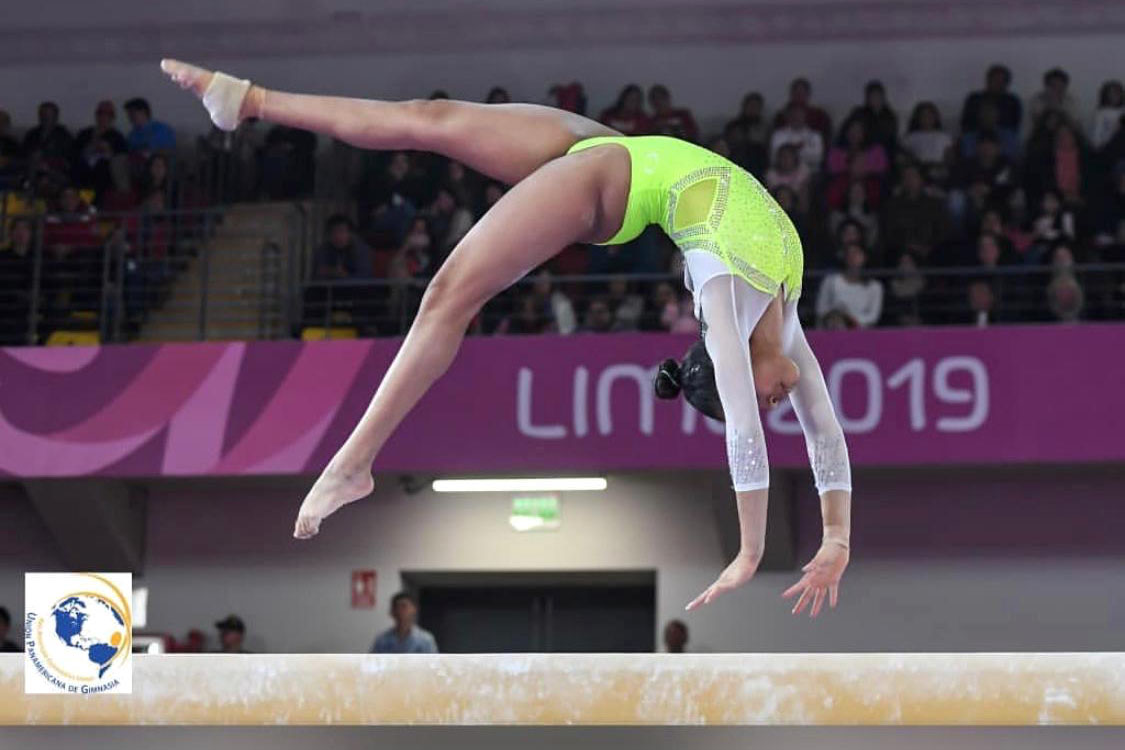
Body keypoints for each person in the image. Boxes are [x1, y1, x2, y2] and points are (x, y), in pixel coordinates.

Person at [163, 58, 851, 615]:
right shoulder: (781, 322)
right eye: (765, 403)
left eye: (762, 405)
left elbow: (764, 437)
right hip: (613, 148)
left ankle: (352, 463)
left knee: (445, 295)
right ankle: (248, 98)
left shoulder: (722, 300)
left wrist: (763, 550)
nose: (775, 404)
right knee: (429, 118)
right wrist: (828, 539)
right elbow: (808, 432)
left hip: (607, 186)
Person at [814, 243, 884, 328]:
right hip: (832, 327)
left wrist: (850, 318)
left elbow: (872, 317)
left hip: (861, 331)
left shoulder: (875, 287)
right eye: (849, 254)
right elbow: (821, 310)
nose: (852, 257)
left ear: (865, 257)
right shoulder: (830, 281)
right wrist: (835, 314)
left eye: (856, 254)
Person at [371, 592, 438, 654]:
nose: (400, 610)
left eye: (404, 606)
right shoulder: (382, 639)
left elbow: (433, 665)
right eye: (396, 607)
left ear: (414, 609)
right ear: (392, 611)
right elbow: (372, 663)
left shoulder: (425, 640)